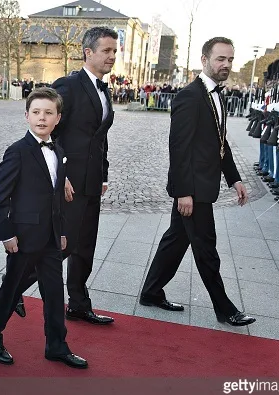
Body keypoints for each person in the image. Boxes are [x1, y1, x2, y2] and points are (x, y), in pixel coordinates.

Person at [139, 37, 256, 327]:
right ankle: (225, 308)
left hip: (204, 184)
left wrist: (235, 179)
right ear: (204, 60)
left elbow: (220, 141)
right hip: (194, 188)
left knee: (175, 241)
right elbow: (178, 148)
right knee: (206, 248)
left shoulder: (219, 95)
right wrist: (184, 193)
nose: (226, 64)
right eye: (220, 59)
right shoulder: (189, 96)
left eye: (230, 59)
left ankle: (151, 292)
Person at [0, 87, 87, 369]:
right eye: (36, 112)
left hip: (51, 238)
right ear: (26, 116)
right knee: (11, 291)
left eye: (48, 113)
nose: (42, 118)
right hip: (24, 238)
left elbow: (57, 201)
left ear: (58, 118)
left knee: (55, 294)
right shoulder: (17, 151)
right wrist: (5, 233)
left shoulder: (59, 152)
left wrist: (61, 231)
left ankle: (57, 346)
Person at [50, 27, 117, 325]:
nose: (112, 57)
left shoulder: (104, 89)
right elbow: (48, 132)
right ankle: (13, 288)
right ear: (88, 52)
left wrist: (102, 175)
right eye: (107, 51)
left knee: (85, 246)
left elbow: (98, 138)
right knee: (63, 243)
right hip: (69, 182)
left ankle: (78, 303)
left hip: (91, 183)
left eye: (115, 51)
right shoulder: (68, 85)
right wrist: (58, 173)